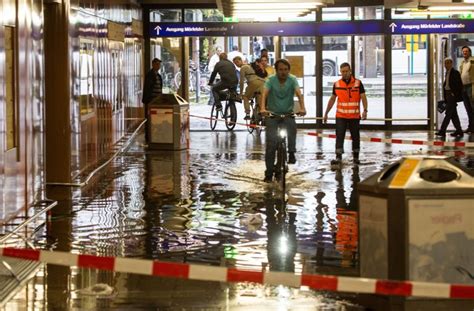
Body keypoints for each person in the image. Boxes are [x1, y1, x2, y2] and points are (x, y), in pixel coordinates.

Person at [260, 59, 306, 182]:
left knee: (292, 128)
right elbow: (264, 94)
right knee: (271, 145)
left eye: (286, 69)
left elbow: (299, 94)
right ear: (276, 70)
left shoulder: (292, 79)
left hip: (287, 114)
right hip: (272, 115)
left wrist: (302, 108)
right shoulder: (270, 80)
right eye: (280, 69)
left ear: (288, 70)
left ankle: (291, 152)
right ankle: (269, 172)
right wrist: (263, 108)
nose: (283, 72)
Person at [323, 62, 368, 165]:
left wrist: (365, 110)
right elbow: (332, 99)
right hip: (341, 116)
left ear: (350, 71)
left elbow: (363, 97)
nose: (345, 73)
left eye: (347, 71)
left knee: (355, 136)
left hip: (354, 116)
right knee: (339, 136)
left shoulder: (358, 83)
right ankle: (338, 157)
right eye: (343, 71)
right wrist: (326, 113)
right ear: (340, 72)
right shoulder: (337, 84)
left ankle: (356, 157)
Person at [435, 58, 464, 138]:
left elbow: (459, 85)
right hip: (448, 95)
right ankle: (459, 130)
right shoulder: (447, 73)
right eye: (445, 63)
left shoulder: (455, 73)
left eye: (448, 63)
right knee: (454, 114)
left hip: (451, 95)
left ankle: (442, 131)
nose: (446, 65)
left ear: (451, 64)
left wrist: (454, 94)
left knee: (448, 114)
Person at [142, 58, 163, 143]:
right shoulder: (150, 75)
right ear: (153, 64)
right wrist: (148, 100)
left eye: (159, 64)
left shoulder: (158, 76)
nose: (158, 66)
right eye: (157, 64)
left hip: (157, 102)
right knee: (149, 119)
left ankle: (155, 135)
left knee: (156, 119)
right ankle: (149, 137)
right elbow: (148, 89)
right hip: (151, 101)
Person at [459, 46, 474, 133]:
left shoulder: (472, 62)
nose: (464, 53)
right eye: (463, 51)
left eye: (466, 51)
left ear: (469, 52)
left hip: (471, 87)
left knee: (472, 107)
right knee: (467, 108)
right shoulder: (462, 63)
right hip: (463, 87)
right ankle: (471, 127)